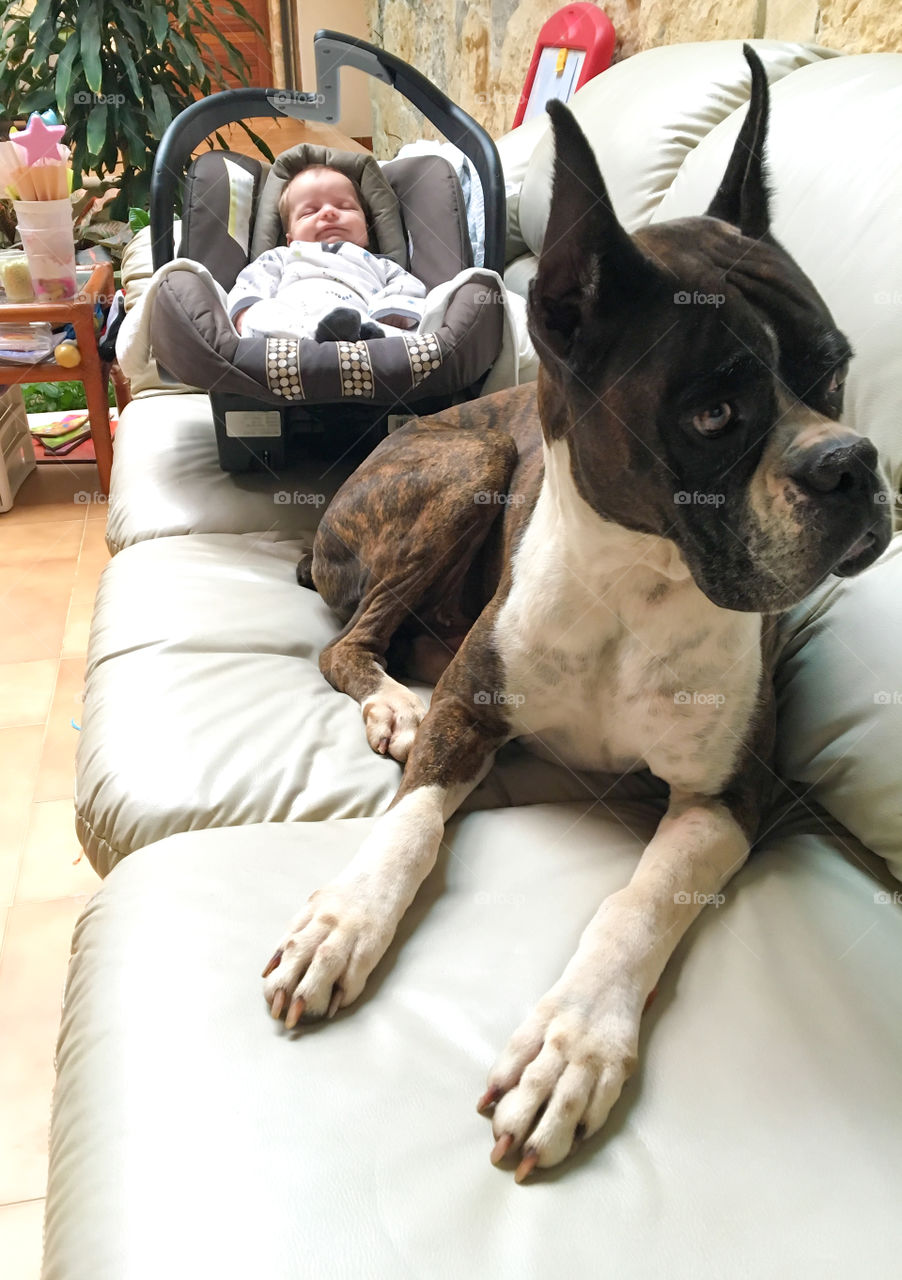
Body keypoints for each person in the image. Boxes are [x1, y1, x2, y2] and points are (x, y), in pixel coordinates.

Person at [227, 165, 427, 343]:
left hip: (362, 320)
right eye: (309, 212)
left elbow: (408, 287)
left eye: (344, 207)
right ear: (291, 239)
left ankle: (367, 339)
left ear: (366, 228)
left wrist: (390, 312)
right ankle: (324, 336)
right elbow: (252, 282)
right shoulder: (282, 256)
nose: (329, 212)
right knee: (260, 314)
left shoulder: (381, 264)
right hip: (293, 326)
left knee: (436, 304)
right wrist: (246, 312)